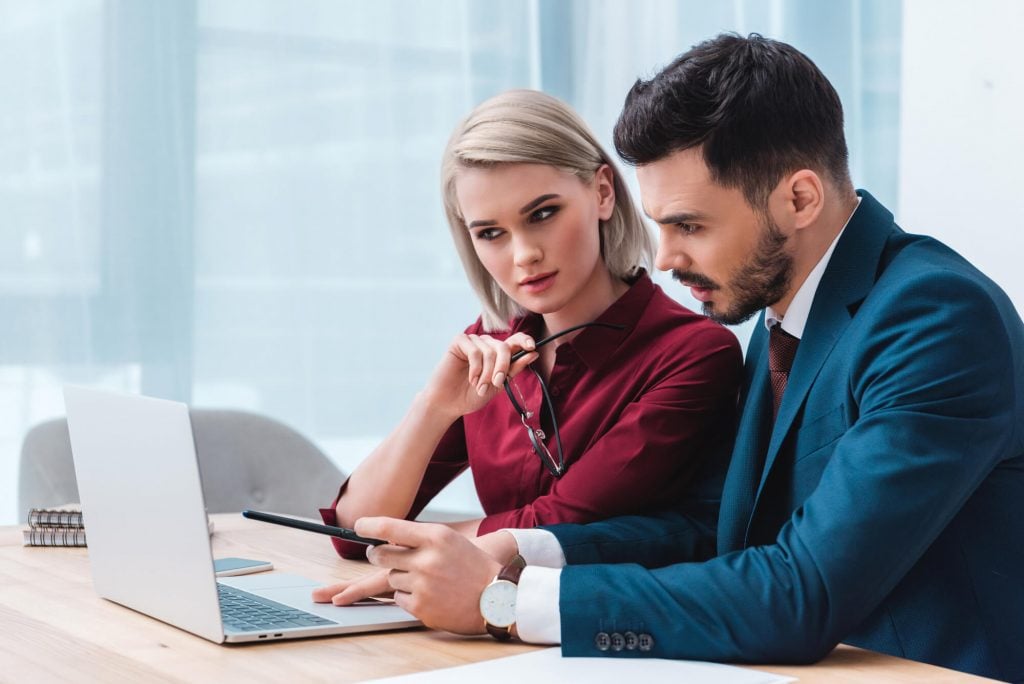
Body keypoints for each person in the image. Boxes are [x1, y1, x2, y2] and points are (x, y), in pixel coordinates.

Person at [345, 35, 1024, 682]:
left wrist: (507, 604)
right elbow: (711, 530)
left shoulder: (934, 318)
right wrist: (523, 553)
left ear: (799, 199)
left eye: (689, 227)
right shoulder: (783, 318)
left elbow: (802, 590)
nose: (664, 259)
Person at [313, 90, 742, 591]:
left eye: (542, 214)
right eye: (491, 233)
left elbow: (562, 523)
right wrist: (433, 407)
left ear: (603, 192)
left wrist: (431, 544)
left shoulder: (692, 353)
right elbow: (354, 533)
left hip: (600, 630)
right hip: (476, 622)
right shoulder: (488, 344)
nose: (524, 255)